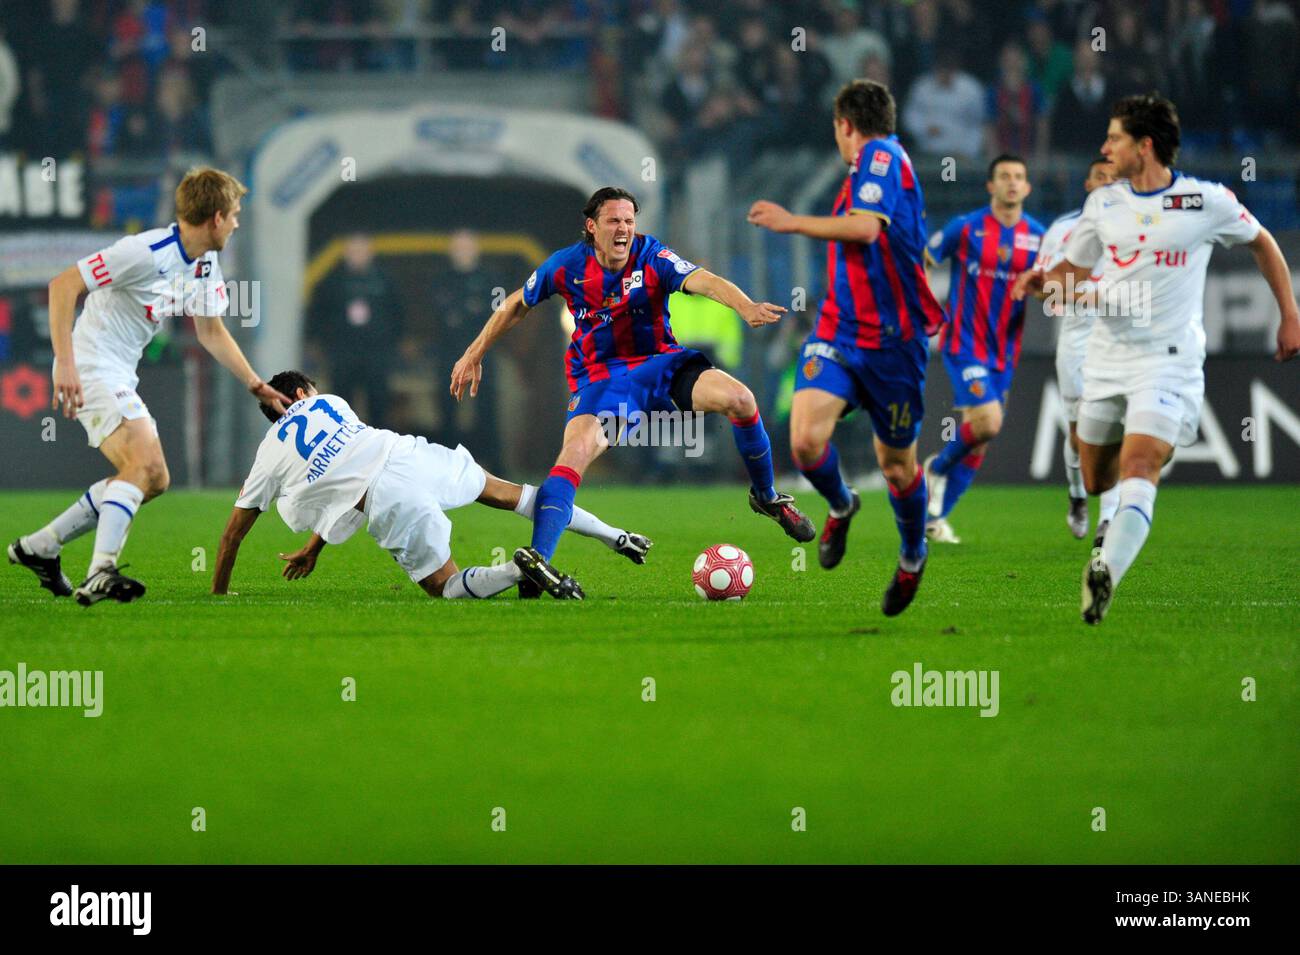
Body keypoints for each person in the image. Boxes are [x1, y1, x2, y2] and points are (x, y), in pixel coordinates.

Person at [1013, 93, 1300, 623]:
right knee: (1100, 478)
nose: (1105, 147)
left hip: (1169, 361)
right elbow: (1072, 275)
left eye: (1115, 138)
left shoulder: (1204, 201)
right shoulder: (1104, 206)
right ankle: (1128, 480)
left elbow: (1263, 244)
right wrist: (1043, 282)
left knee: (1140, 463)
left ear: (1144, 146)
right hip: (1105, 358)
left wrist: (1290, 313)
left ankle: (1105, 576)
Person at [450, 186, 814, 570]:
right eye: (613, 221)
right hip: (602, 379)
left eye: (628, 220)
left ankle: (767, 497)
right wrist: (474, 352)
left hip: (662, 364)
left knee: (742, 400)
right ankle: (539, 561)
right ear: (591, 227)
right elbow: (516, 304)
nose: (623, 228)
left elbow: (704, 280)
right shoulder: (565, 265)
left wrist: (745, 305)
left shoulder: (651, 254)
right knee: (573, 455)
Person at [8, 167, 290, 605]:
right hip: (90, 365)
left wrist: (254, 383)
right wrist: (64, 361)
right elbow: (63, 285)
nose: (236, 223)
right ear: (215, 217)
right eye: (233, 214)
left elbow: (210, 331)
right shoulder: (142, 251)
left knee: (153, 477)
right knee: (142, 464)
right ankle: (101, 569)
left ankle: (41, 547)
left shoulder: (205, 264)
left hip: (119, 371)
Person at [748, 79, 945, 616]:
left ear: (844, 125)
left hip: (893, 346)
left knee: (898, 466)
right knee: (807, 441)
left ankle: (911, 556)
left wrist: (791, 222)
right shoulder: (871, 172)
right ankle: (842, 502)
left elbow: (863, 230)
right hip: (839, 331)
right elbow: (896, 235)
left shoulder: (880, 155)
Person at [212, 371, 654, 601]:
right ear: (305, 392)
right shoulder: (331, 404)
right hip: (414, 456)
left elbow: (234, 531)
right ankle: (616, 536)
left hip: (387, 497)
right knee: (513, 494)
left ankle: (516, 570)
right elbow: (348, 467)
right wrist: (315, 545)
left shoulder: (269, 453)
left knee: (445, 587)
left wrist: (218, 591)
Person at [923, 155, 1046, 544]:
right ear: (990, 186)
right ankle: (937, 469)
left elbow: (1051, 290)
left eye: (1019, 176)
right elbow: (926, 259)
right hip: (963, 343)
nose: (1012, 182)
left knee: (982, 435)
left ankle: (935, 517)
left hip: (1004, 353)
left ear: (1027, 187)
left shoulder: (1039, 237)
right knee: (989, 422)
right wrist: (922, 305)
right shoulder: (967, 227)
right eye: (1004, 176)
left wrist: (1042, 288)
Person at [1034, 156, 1120, 542]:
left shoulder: (1137, 228)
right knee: (1079, 435)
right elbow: (1047, 294)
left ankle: (1109, 521)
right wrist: (1096, 295)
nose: (1106, 184)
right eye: (1099, 177)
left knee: (1118, 430)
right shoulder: (1064, 229)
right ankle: (1076, 494)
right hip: (1078, 336)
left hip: (1122, 338)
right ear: (1087, 184)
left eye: (1113, 179)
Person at [309, 234, 402, 429]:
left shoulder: (384, 281)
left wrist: (392, 345)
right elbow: (317, 313)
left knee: (378, 404)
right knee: (341, 407)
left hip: (376, 354)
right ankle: (343, 453)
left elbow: (398, 314)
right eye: (353, 251)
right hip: (343, 353)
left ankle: (379, 453)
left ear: (370, 253)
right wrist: (321, 343)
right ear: (346, 253)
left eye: (362, 251)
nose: (358, 256)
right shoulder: (332, 282)